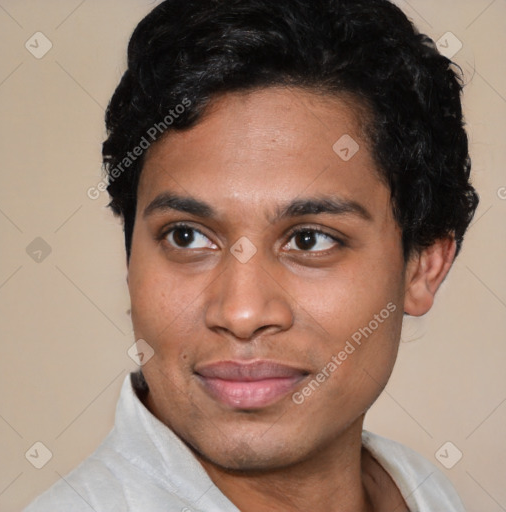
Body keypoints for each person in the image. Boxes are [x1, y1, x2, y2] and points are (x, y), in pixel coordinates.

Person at [24, 0, 479, 510]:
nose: (241, 314)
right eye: (186, 237)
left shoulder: (422, 489)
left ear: (423, 266)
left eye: (310, 240)